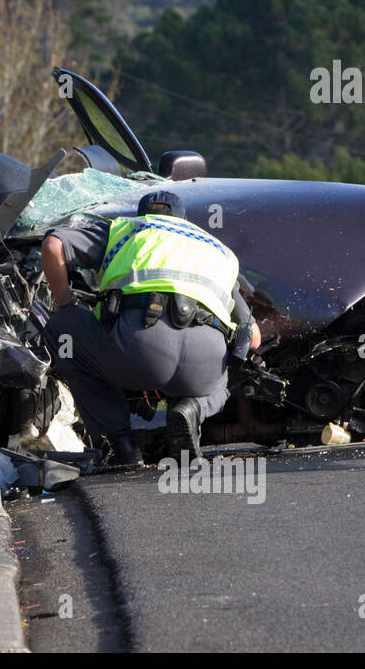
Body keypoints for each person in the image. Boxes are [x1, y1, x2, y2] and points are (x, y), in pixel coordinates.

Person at [40, 190, 261, 465]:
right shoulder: (217, 250)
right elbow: (253, 338)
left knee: (62, 327)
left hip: (139, 347)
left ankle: (118, 445)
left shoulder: (125, 230)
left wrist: (65, 302)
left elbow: (53, 246)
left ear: (143, 215)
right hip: (203, 364)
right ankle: (192, 409)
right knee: (224, 380)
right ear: (182, 220)